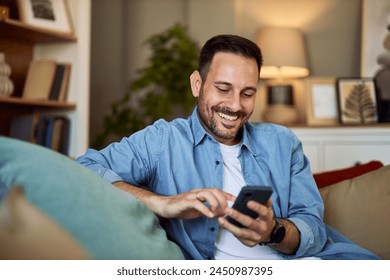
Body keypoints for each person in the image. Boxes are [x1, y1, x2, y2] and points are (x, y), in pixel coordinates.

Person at [77, 34, 379, 260]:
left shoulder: (282, 142)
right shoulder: (163, 140)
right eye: (223, 89)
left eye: (247, 93)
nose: (235, 106)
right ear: (197, 84)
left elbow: (313, 226)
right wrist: (163, 203)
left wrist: (273, 231)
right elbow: (83, 170)